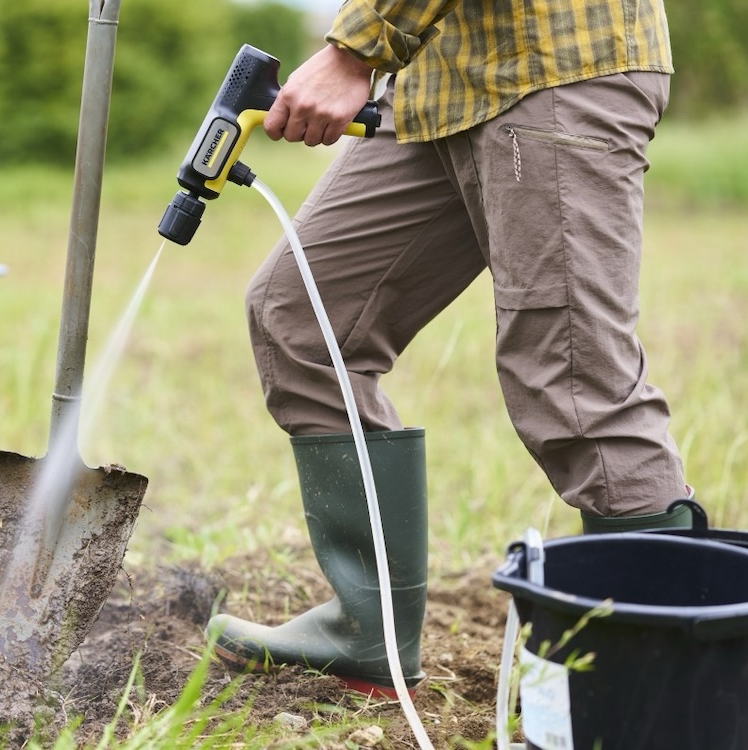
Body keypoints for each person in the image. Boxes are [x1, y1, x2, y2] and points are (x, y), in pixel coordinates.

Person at [207, 0, 693, 699]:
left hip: (552, 62)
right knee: (303, 316)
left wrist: (352, 50)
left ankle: (666, 676)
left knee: (571, 375)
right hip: (435, 83)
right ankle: (368, 632)